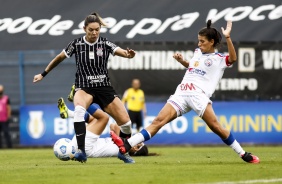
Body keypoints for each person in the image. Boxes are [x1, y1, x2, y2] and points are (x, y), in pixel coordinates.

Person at [111, 20, 260, 164]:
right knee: (158, 121)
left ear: (212, 42)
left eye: (202, 41)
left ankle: (243, 153)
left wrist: (227, 37)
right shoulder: (197, 52)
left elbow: (233, 58)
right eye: (198, 40)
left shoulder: (219, 59)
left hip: (198, 95)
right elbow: (193, 66)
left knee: (216, 127)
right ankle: (127, 144)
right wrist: (182, 61)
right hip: (182, 92)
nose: (199, 44)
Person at [33, 12, 136, 163]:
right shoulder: (76, 44)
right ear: (84, 29)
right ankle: (81, 151)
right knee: (80, 110)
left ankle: (123, 151)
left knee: (126, 123)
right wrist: (43, 74)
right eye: (91, 30)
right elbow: (59, 58)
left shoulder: (105, 44)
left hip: (104, 88)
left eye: (97, 29)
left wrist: (128, 55)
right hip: (84, 86)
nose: (94, 33)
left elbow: (122, 52)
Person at [57, 98, 148, 163]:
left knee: (104, 118)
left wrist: (128, 134)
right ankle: (69, 113)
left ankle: (79, 99)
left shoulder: (125, 146)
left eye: (138, 143)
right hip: (85, 146)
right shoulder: (123, 148)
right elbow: (112, 127)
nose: (136, 140)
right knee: (94, 120)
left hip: (86, 147)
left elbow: (114, 126)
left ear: (135, 148)